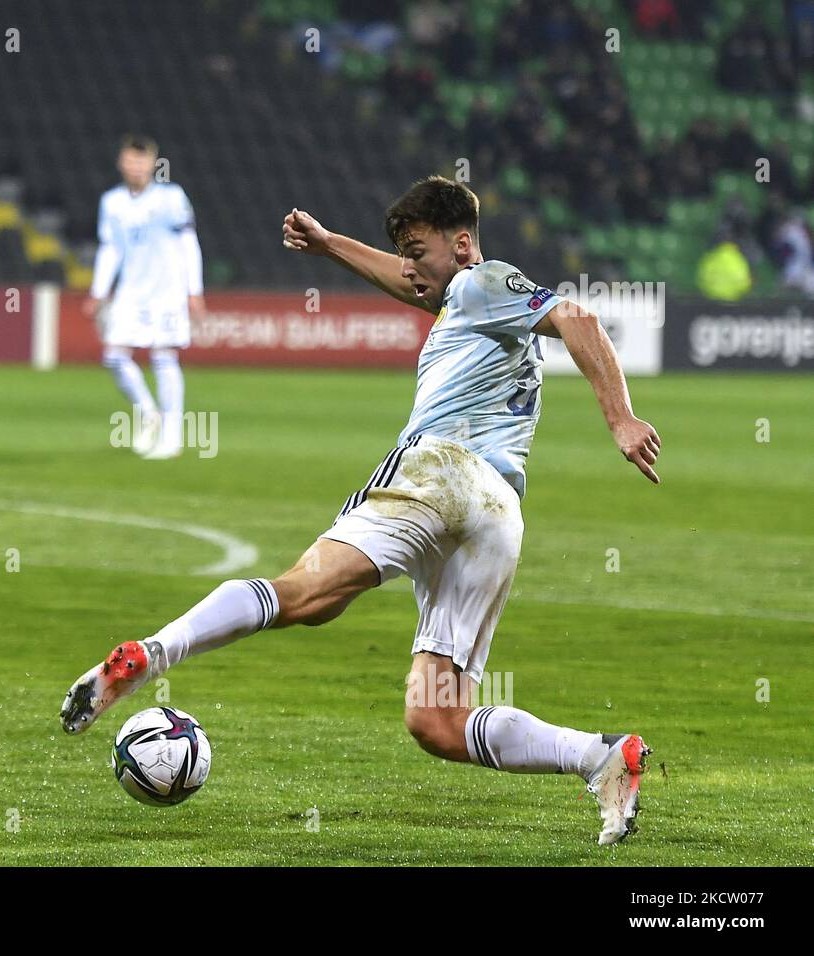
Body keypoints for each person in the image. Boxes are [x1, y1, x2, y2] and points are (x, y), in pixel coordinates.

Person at [61, 176, 661, 845]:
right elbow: (416, 285)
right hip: (498, 514)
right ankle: (601, 757)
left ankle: (150, 653)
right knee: (436, 720)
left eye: (417, 249)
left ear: (462, 244)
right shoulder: (466, 299)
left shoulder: (479, 281)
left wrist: (621, 417)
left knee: (300, 594)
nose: (409, 267)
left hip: (439, 473)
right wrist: (330, 246)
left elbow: (577, 317)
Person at [85, 135, 204, 458]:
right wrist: (99, 291)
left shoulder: (171, 198)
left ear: (152, 164)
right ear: (121, 163)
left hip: (167, 291)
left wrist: (194, 290)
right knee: (113, 356)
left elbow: (189, 243)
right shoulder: (112, 202)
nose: (135, 166)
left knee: (164, 357)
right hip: (131, 291)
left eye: (141, 160)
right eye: (130, 160)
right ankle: (149, 412)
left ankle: (172, 436)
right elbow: (110, 249)